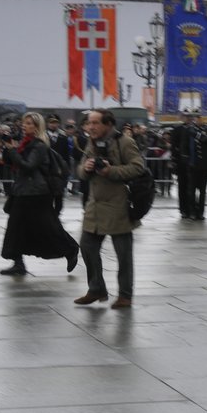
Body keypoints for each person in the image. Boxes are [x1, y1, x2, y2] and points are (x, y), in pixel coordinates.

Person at [75, 108, 145, 309]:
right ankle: (96, 288)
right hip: (94, 206)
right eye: (89, 123)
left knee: (123, 254)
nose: (90, 127)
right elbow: (79, 170)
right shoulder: (91, 142)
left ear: (107, 124)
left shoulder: (124, 141)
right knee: (87, 245)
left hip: (118, 205)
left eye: (95, 123)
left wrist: (110, 170)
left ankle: (125, 295)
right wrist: (86, 168)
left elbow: (138, 167)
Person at [0, 112, 79, 277]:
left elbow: (28, 165)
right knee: (15, 227)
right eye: (24, 122)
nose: (24, 125)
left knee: (48, 226)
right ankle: (18, 263)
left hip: (37, 193)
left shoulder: (39, 145)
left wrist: (13, 150)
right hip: (22, 191)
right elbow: (11, 162)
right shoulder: (24, 143)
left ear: (36, 127)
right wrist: (8, 148)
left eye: (28, 123)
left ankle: (71, 249)